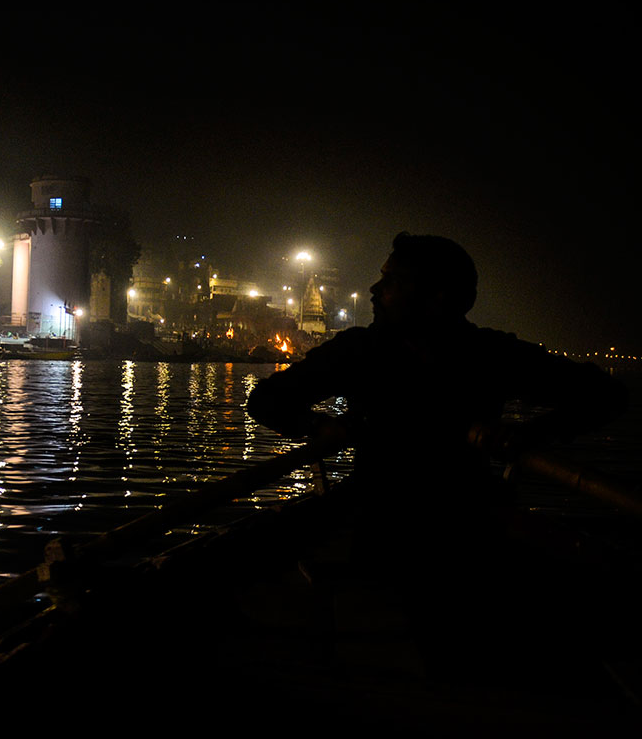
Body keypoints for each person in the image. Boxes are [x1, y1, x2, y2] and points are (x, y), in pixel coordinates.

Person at [246, 233, 627, 678]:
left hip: (459, 523)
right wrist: (316, 426)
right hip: (389, 521)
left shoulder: (487, 353)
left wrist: (526, 434)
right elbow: (268, 400)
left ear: (437, 297)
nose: (374, 291)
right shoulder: (361, 351)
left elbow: (605, 395)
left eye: (391, 282)